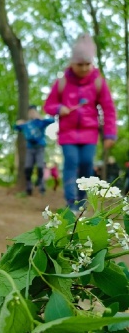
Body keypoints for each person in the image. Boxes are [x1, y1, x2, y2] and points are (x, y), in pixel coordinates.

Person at [44, 33, 117, 213]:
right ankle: (71, 200)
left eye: (87, 64)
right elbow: (48, 105)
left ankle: (82, 199)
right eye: (79, 64)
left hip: (89, 133)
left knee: (86, 163)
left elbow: (108, 108)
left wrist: (109, 133)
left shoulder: (98, 83)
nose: (84, 68)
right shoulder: (62, 83)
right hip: (68, 134)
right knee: (71, 161)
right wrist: (59, 108)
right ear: (72, 63)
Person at [14, 105, 54, 195]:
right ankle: (29, 187)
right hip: (30, 148)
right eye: (30, 112)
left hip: (40, 148)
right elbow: (16, 127)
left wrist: (40, 117)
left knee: (40, 167)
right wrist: (18, 123)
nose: (31, 114)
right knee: (28, 168)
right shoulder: (27, 124)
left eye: (33, 112)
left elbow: (52, 120)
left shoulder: (41, 122)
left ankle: (41, 186)